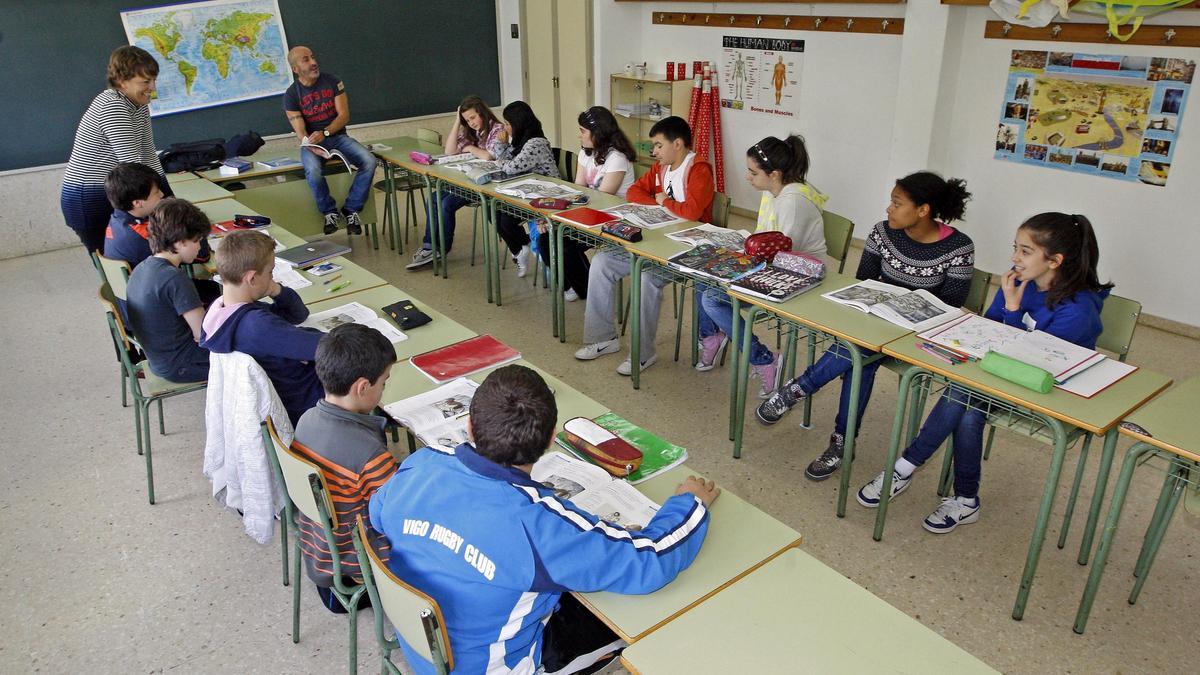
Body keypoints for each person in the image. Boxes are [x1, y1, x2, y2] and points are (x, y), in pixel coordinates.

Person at [369, 364, 719, 675]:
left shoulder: (424, 462)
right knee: (632, 615)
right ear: (552, 439)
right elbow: (650, 561)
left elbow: (378, 516)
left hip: (424, 651)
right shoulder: (537, 524)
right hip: (498, 666)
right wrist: (690, 504)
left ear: (470, 427)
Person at [856, 213, 1111, 533]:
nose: (1014, 258)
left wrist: (1014, 312)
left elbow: (1032, 363)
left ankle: (905, 467)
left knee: (965, 394)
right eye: (1015, 247)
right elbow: (989, 331)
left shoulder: (1078, 310)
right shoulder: (1021, 283)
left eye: (1025, 251)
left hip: (1050, 391)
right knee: (969, 409)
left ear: (1055, 260)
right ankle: (966, 500)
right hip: (997, 377)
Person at [756, 172, 975, 482]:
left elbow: (950, 306)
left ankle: (800, 389)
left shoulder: (959, 247)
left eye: (897, 204)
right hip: (872, 327)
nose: (889, 209)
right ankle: (840, 441)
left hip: (916, 337)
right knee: (861, 358)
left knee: (857, 354)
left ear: (923, 210)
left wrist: (903, 310)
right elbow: (864, 283)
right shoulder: (882, 233)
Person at [575, 116, 714, 376]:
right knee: (602, 262)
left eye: (659, 146)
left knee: (646, 276)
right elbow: (635, 192)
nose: (654, 152)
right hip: (655, 239)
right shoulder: (661, 167)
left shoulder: (699, 169)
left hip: (685, 252)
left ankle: (643, 353)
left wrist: (663, 202)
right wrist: (662, 203)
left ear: (678, 144)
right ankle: (604, 338)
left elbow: (693, 212)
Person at [695, 135, 828, 395]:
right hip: (773, 266)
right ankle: (712, 336)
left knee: (712, 299)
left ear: (774, 174)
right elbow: (766, 241)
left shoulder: (793, 201)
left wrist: (741, 263)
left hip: (799, 274)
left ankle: (764, 360)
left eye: (752, 172)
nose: (748, 177)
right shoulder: (773, 191)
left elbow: (783, 256)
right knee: (704, 275)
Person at [293, 323, 399, 612]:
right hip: (354, 577)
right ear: (363, 387)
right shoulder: (369, 455)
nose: (384, 387)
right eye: (384, 382)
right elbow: (401, 515)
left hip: (320, 556)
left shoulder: (306, 420)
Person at [200, 230, 323, 425]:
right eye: (270, 272)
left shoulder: (223, 310)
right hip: (307, 401)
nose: (272, 277)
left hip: (286, 393)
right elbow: (322, 348)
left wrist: (274, 288)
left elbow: (298, 315)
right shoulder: (257, 325)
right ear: (251, 278)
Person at [61, 46, 171, 255]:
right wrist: (165, 202)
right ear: (122, 81)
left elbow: (148, 154)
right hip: (88, 197)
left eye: (154, 80)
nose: (152, 87)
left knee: (139, 261)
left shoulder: (138, 105)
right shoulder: (112, 106)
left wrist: (169, 197)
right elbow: (131, 166)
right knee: (118, 263)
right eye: (145, 82)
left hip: (111, 190)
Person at [546, 106, 639, 302]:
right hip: (590, 213)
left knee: (566, 242)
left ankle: (589, 291)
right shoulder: (585, 153)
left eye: (583, 131)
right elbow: (579, 188)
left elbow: (603, 197)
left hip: (612, 219)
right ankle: (573, 284)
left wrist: (575, 208)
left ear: (598, 133)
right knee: (545, 239)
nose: (579, 136)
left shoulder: (617, 158)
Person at [283, 46, 378, 236]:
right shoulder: (292, 94)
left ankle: (351, 209)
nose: (313, 62)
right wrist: (309, 143)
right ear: (295, 69)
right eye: (305, 60)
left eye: (312, 57)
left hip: (337, 136)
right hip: (312, 143)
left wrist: (325, 133)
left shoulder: (333, 82)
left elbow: (344, 116)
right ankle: (329, 212)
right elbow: (299, 129)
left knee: (369, 161)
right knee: (313, 170)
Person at [407, 95, 506, 269]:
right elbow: (450, 151)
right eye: (467, 120)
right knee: (434, 197)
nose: (471, 123)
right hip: (468, 180)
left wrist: (468, 148)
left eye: (473, 117)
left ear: (482, 113)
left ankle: (442, 248)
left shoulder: (497, 128)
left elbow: (490, 155)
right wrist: (457, 122)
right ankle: (430, 246)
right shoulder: (472, 131)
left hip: (486, 184)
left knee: (446, 204)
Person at [103, 163, 220, 307]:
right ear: (138, 203)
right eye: (156, 192)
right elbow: (202, 255)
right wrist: (190, 223)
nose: (162, 195)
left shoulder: (117, 219)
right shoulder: (141, 234)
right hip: (151, 307)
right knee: (220, 290)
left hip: (136, 297)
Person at [124, 199, 212, 383]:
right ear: (180, 242)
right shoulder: (175, 278)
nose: (200, 246)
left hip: (159, 359)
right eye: (197, 240)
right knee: (256, 353)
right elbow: (204, 335)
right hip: (181, 365)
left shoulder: (141, 268)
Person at [491, 101, 559, 278]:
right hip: (527, 191)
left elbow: (511, 167)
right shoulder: (520, 140)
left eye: (507, 123)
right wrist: (502, 144)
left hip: (546, 194)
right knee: (494, 211)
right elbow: (507, 162)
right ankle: (521, 248)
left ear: (518, 122)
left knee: (506, 220)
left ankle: (523, 246)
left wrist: (501, 162)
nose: (505, 128)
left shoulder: (536, 143)